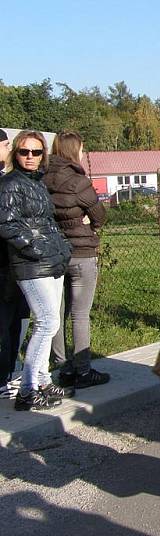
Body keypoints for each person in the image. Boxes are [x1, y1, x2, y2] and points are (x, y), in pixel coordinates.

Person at [0, 130, 72, 411]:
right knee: (45, 323)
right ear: (15, 153)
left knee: (50, 320)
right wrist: (36, 248)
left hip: (52, 261)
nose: (30, 157)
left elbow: (47, 222)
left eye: (36, 152)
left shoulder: (37, 182)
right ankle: (28, 389)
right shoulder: (10, 184)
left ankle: (41, 380)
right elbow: (7, 224)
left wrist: (61, 248)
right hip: (31, 265)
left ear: (44, 154)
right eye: (24, 151)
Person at [43, 131, 110, 389]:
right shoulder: (78, 181)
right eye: (81, 149)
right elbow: (100, 216)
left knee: (56, 312)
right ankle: (83, 370)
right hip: (81, 252)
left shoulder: (43, 178)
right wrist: (85, 221)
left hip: (53, 252)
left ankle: (62, 364)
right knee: (80, 313)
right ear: (75, 150)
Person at [0, 128, 30, 399]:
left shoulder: (12, 179)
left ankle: (10, 370)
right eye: (7, 144)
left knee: (16, 320)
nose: (8, 149)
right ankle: (5, 374)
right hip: (6, 261)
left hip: (13, 262)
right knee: (6, 322)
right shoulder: (7, 183)